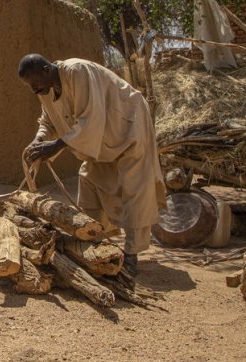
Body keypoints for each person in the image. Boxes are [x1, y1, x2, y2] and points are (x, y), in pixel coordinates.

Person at [18, 53, 166, 276]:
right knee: (88, 179)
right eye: (30, 87)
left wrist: (56, 146)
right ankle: (93, 241)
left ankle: (132, 255)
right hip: (103, 140)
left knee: (134, 188)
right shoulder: (46, 89)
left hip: (128, 125)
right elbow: (48, 121)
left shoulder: (77, 71)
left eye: (35, 84)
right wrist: (39, 140)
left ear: (47, 70)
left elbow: (90, 120)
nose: (34, 90)